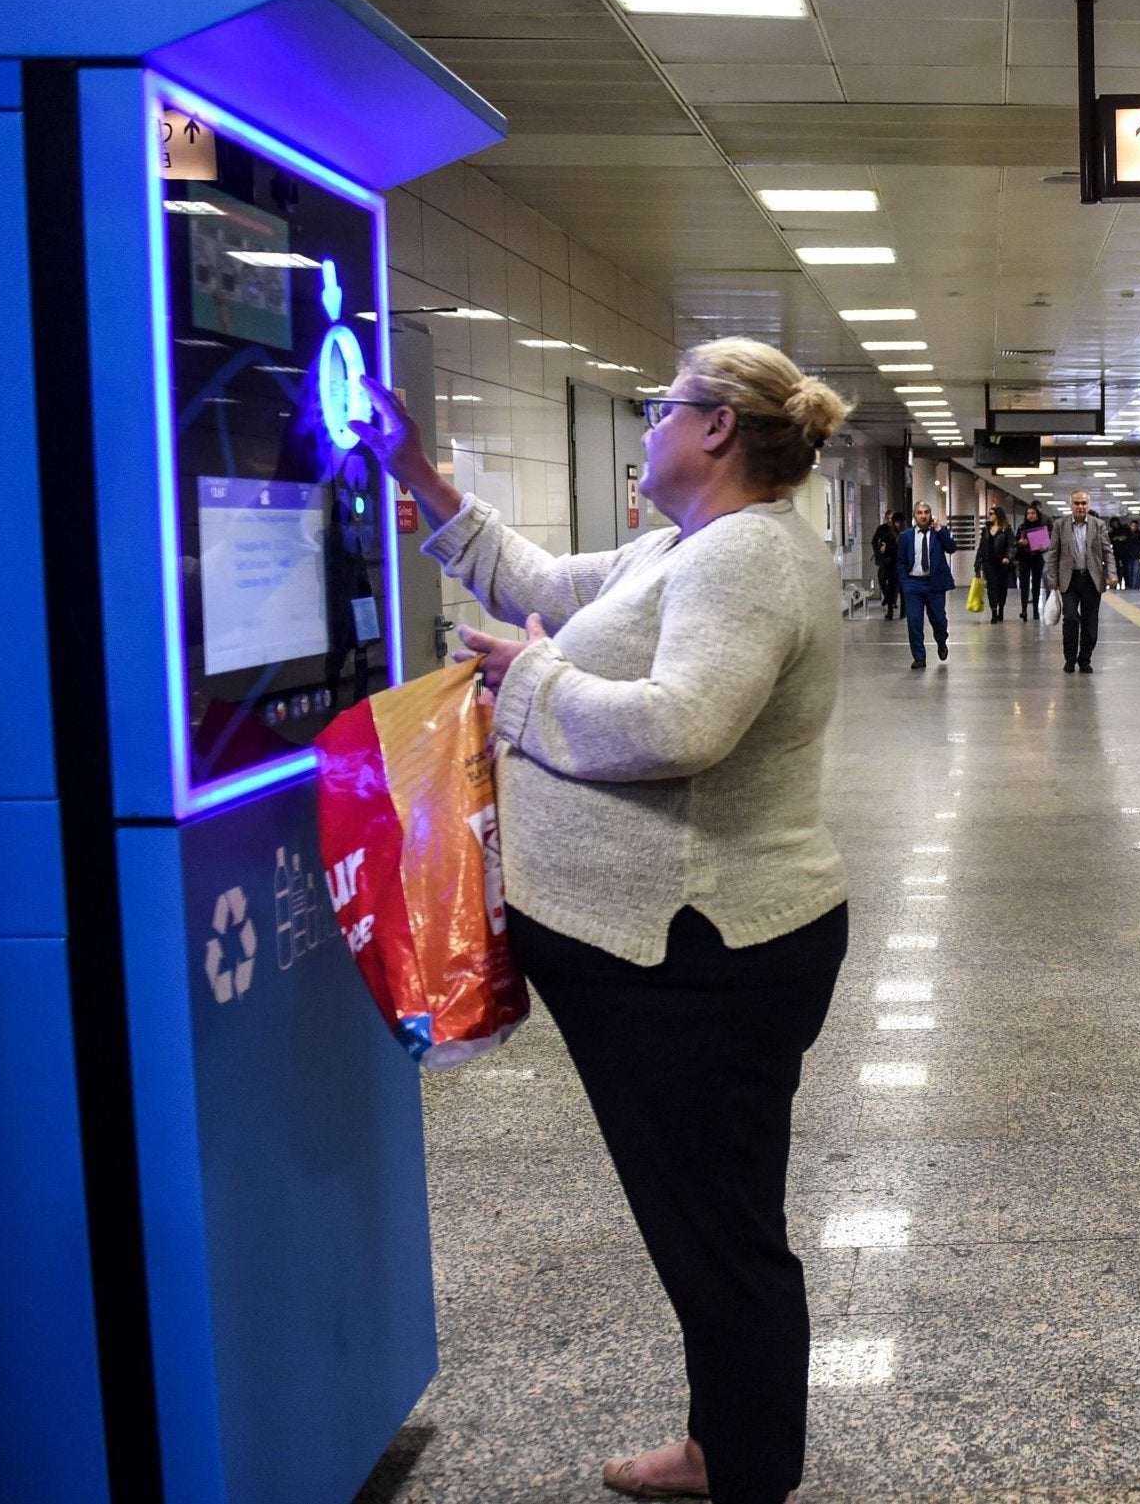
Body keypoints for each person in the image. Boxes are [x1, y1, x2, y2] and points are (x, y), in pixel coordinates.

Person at [363, 338, 850, 1504]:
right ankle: (730, 1444)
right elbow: (543, 588)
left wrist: (522, 683)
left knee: (716, 1226)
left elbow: (683, 726)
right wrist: (421, 479)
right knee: (706, 1217)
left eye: (658, 407)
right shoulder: (682, 547)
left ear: (716, 427)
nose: (643, 428)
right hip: (676, 947)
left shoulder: (742, 559)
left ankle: (743, 1468)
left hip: (695, 951)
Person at [1045, 489, 1115, 673]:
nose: (1080, 507)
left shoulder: (1098, 525)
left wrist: (1112, 574)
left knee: (1090, 621)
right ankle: (1069, 658)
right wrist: (1052, 578)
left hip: (1092, 580)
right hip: (1069, 580)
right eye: (1077, 503)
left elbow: (1107, 551)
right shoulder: (1060, 525)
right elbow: (1053, 554)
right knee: (1070, 618)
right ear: (1071, 505)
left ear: (1089, 505)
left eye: (1084, 503)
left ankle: (1085, 659)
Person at [897, 500, 957, 670]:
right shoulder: (906, 536)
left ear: (931, 515)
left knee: (938, 619)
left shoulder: (940, 532)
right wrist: (904, 582)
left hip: (934, 584)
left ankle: (941, 641)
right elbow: (900, 561)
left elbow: (952, 548)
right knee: (914, 621)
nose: (923, 516)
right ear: (914, 516)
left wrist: (940, 530)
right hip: (913, 584)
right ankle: (919, 657)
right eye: (919, 513)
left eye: (926, 512)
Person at [974, 505, 1016, 623]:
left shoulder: (1006, 529)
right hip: (988, 562)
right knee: (991, 587)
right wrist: (977, 562)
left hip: (1002, 562)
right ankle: (993, 611)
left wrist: (1008, 556)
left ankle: (1001, 608)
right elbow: (981, 547)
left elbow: (1011, 545)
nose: (989, 516)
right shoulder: (986, 529)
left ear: (998, 515)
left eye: (991, 514)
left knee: (1002, 587)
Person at [1015, 499, 1050, 623]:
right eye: (1028, 513)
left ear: (1037, 515)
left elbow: (1047, 543)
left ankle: (1035, 609)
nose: (1030, 515)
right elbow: (1015, 542)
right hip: (1024, 558)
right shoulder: (1021, 527)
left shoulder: (1042, 527)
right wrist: (1020, 543)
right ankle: (1024, 609)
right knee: (1024, 584)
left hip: (1037, 557)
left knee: (1036, 584)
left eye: (1033, 513)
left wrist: (1044, 546)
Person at [869, 508, 902, 620]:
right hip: (884, 559)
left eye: (891, 518)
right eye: (887, 518)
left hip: (895, 560)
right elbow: (874, 541)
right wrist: (878, 551)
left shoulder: (898, 529)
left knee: (894, 584)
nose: (889, 520)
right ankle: (888, 598)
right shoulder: (881, 529)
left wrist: (888, 548)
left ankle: (891, 604)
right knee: (881, 579)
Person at [1110, 515, 1140, 591]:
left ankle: (1128, 584)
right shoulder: (1112, 532)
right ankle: (1121, 584)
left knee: (1127, 570)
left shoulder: (1125, 530)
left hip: (1126, 553)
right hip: (1118, 553)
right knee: (1119, 570)